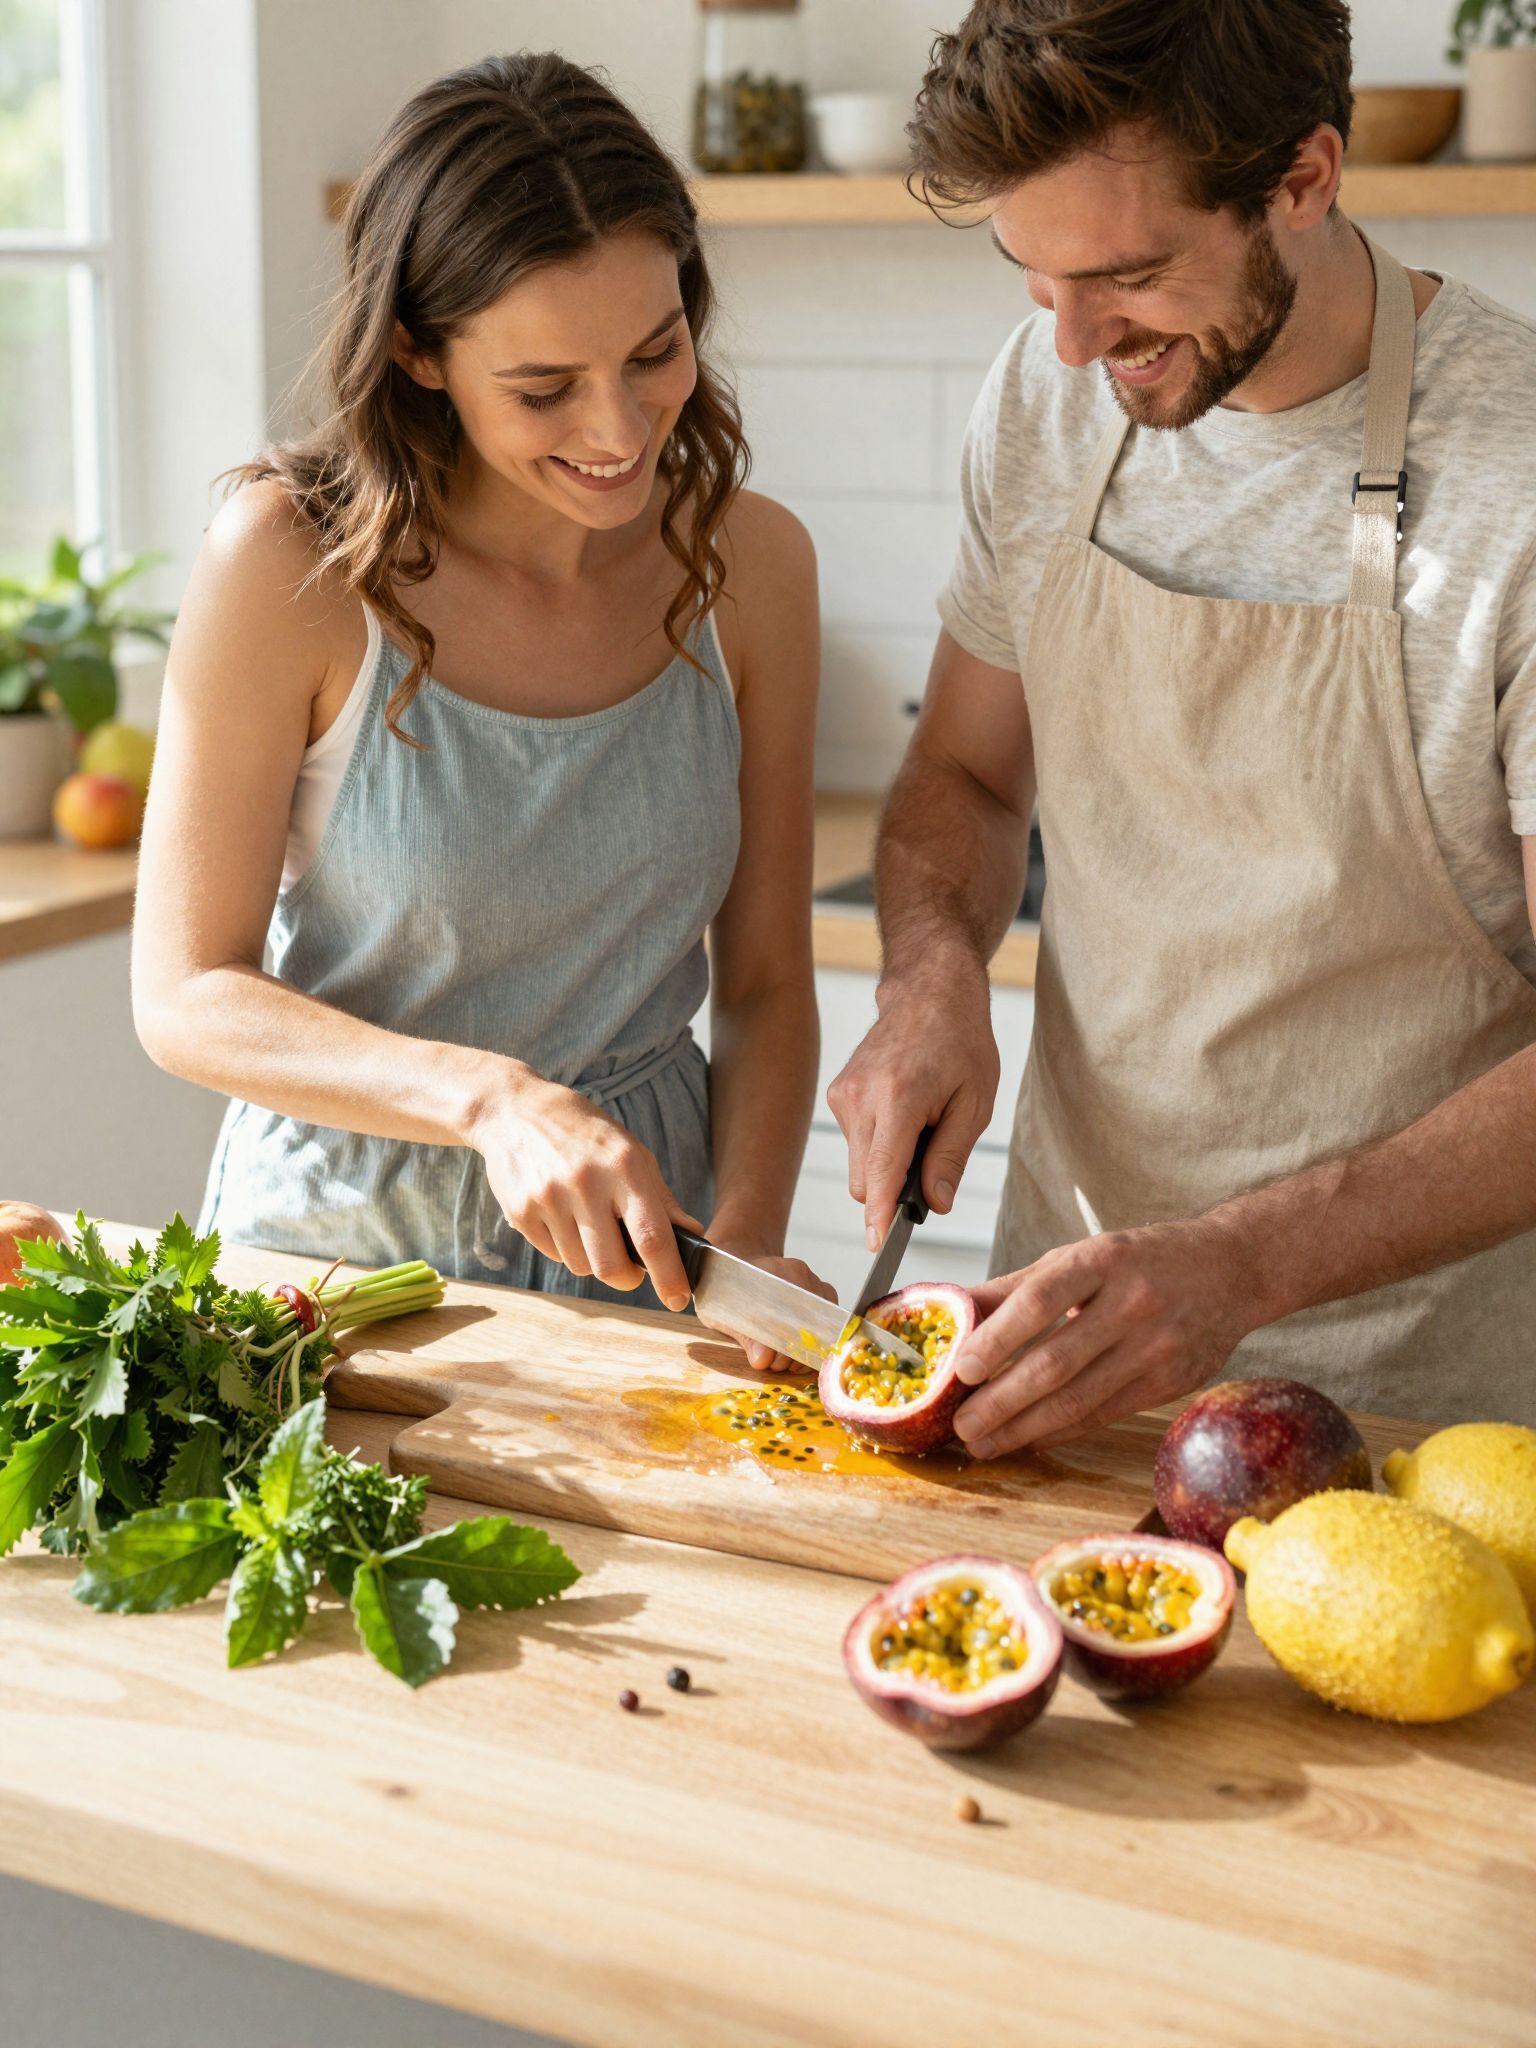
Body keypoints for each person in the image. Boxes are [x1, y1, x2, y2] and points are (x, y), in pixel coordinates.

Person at [830, 0, 1536, 1442]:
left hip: (1422, 1413)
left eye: (1129, 277)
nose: (1075, 344)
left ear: (1303, 177)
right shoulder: (1044, 401)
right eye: (1038, 281)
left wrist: (1242, 1264)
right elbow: (966, 774)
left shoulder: (1513, 478)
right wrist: (930, 974)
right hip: (1054, 1353)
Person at [133, 52, 828, 1364]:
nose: (619, 428)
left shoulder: (755, 569)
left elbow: (768, 983)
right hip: (338, 1272)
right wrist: (489, 1100)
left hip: (650, 1261)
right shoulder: (289, 565)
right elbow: (184, 993)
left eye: (655, 351)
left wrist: (742, 1245)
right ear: (417, 351)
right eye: (544, 388)